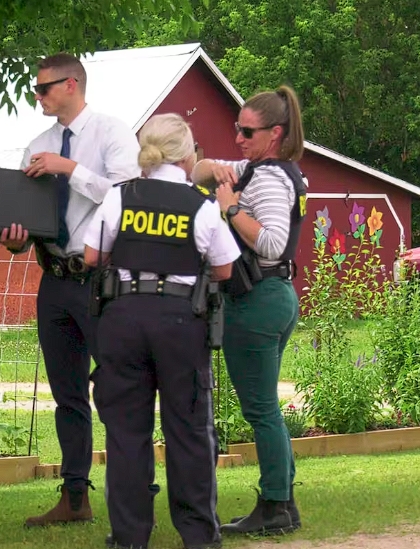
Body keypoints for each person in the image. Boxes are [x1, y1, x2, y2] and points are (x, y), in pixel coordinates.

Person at [84, 113, 240, 549]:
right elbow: (225, 267)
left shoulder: (121, 196)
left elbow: (93, 256)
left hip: (124, 318)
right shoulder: (201, 205)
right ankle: (198, 535)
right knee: (188, 431)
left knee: (126, 433)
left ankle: (130, 536)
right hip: (180, 321)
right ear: (187, 155)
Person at [0, 52, 140, 527]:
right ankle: (75, 498)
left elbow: (128, 197)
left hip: (102, 281)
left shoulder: (112, 132)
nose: (37, 96)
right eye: (36, 89)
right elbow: (31, 217)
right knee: (67, 395)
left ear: (71, 85)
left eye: (44, 88)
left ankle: (131, 496)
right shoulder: (37, 145)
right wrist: (15, 238)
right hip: (54, 279)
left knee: (118, 389)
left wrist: (69, 168)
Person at [190, 85, 308, 536]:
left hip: (257, 299)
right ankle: (284, 502)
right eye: (236, 129)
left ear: (275, 134)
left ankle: (275, 505)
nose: (238, 138)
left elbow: (274, 242)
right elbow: (198, 171)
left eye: (247, 132)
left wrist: (231, 208)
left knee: (261, 410)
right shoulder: (260, 169)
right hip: (273, 296)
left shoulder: (269, 179)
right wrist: (213, 169)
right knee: (266, 408)